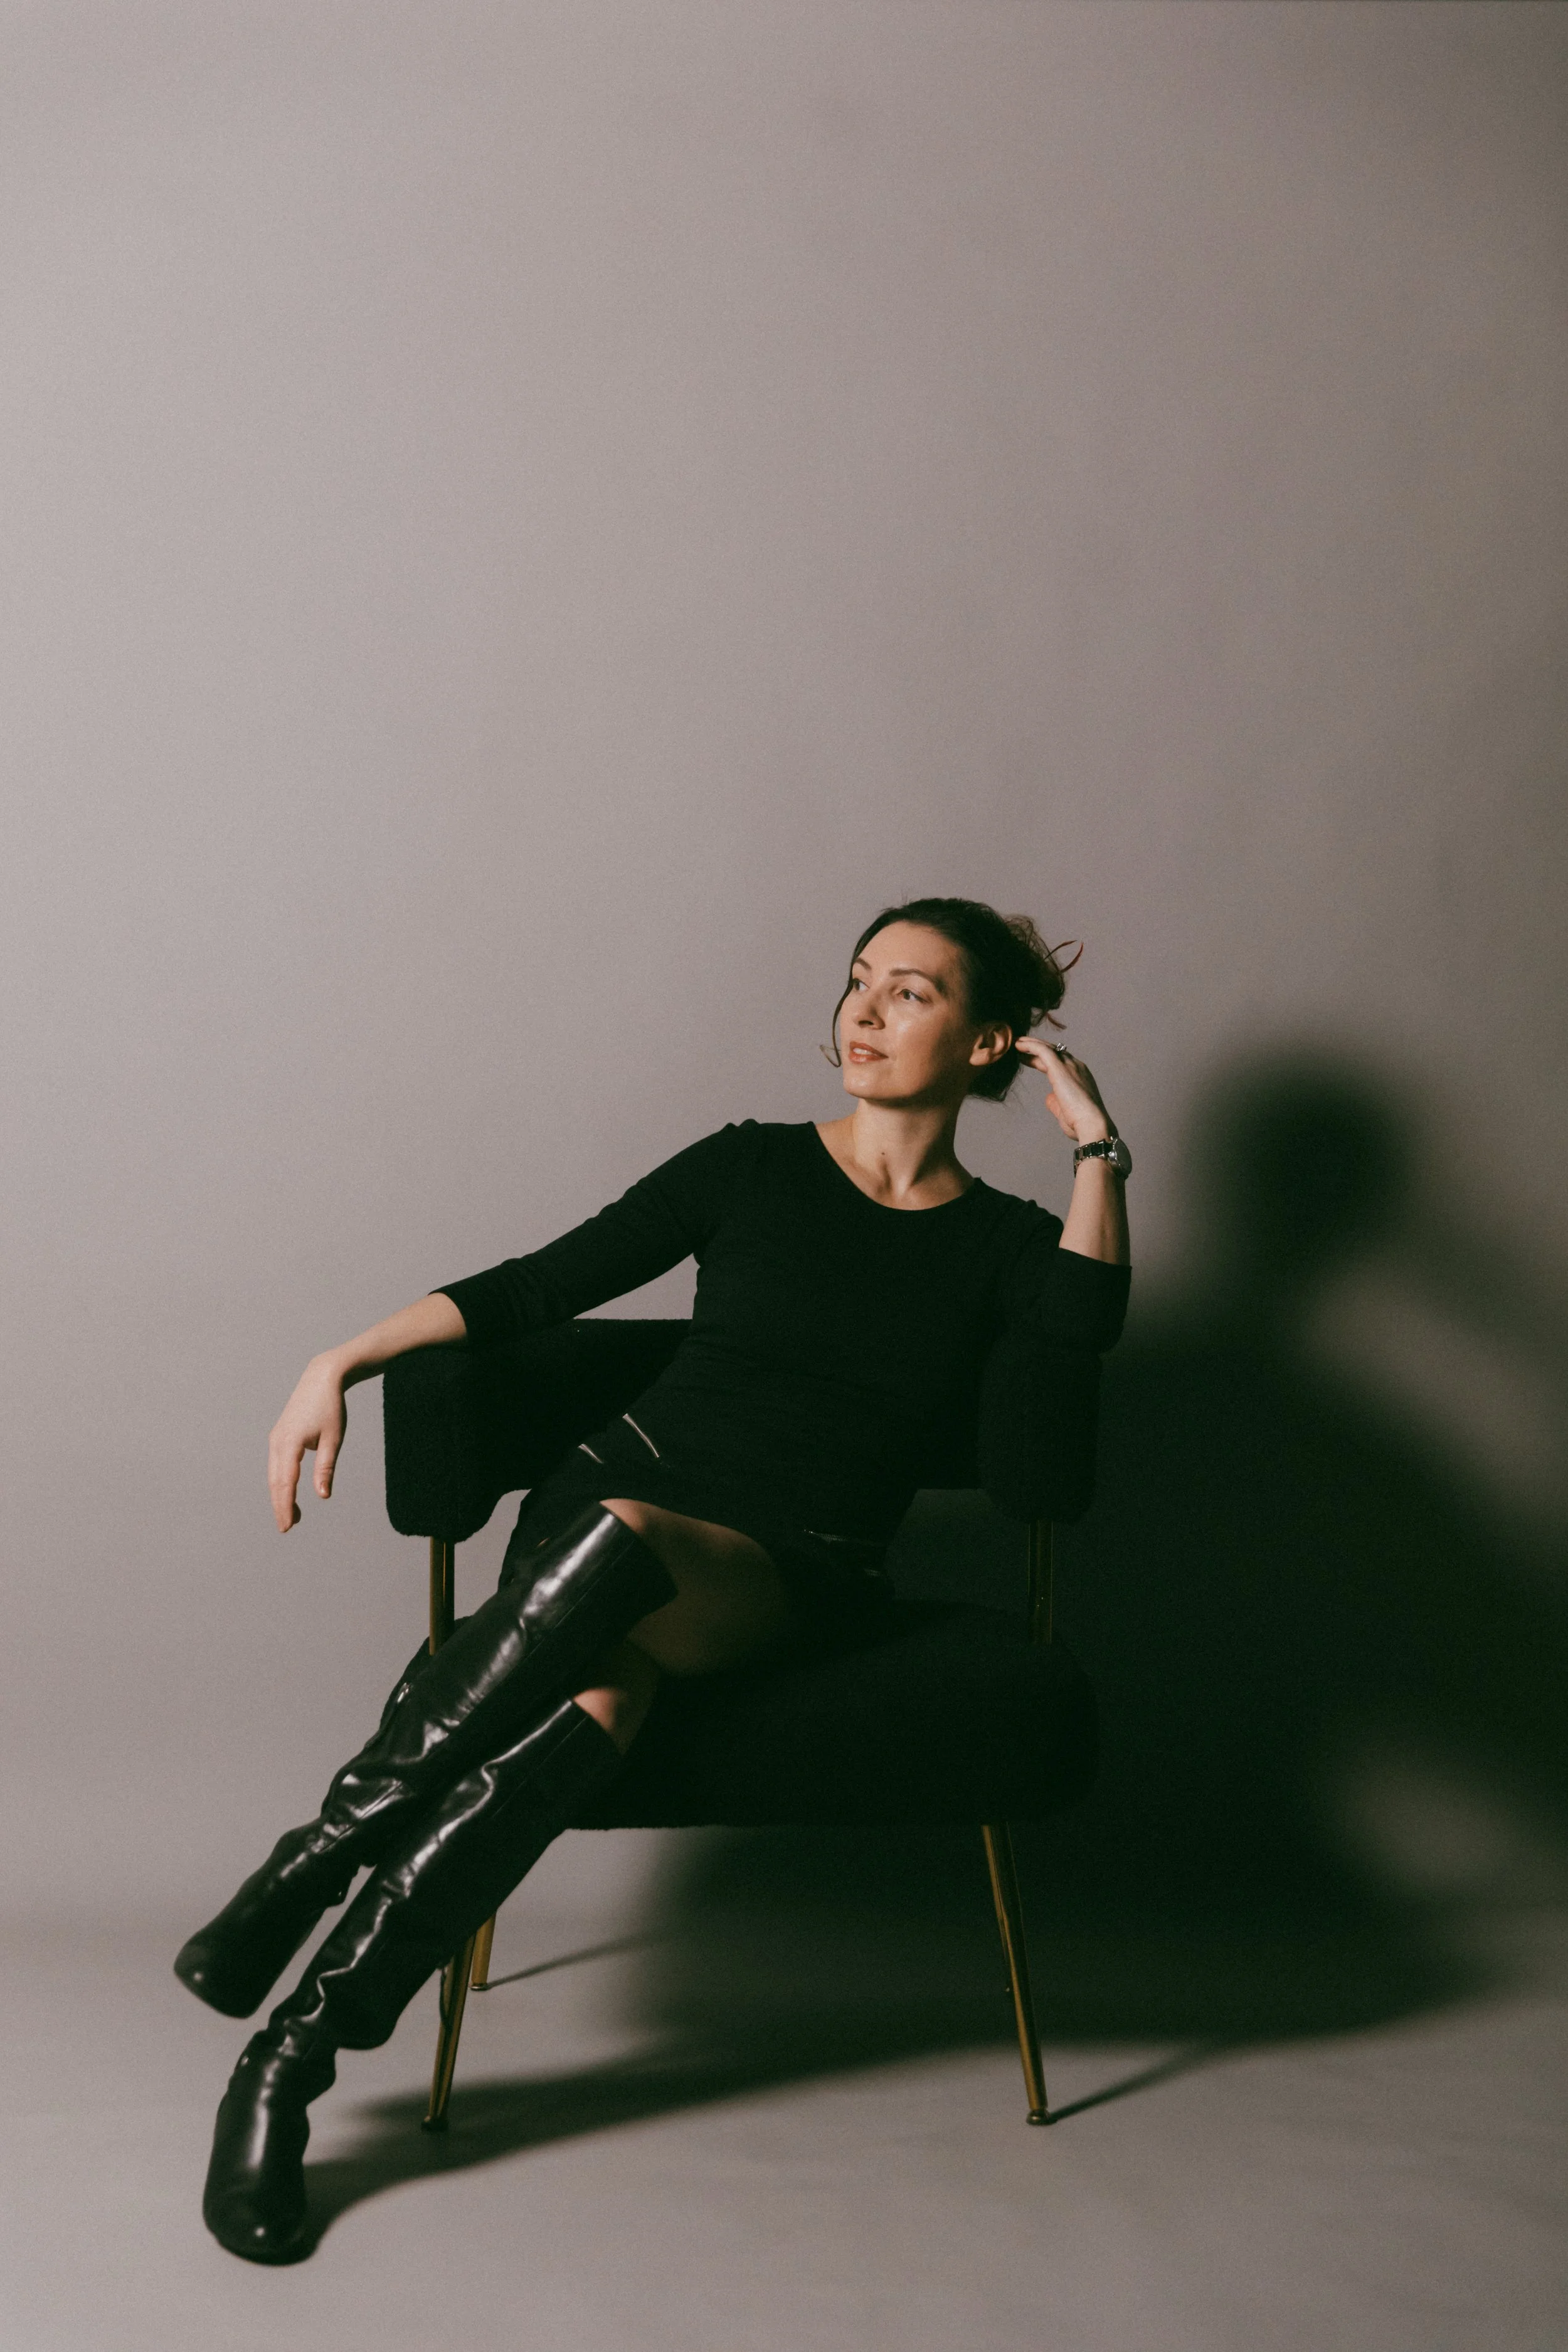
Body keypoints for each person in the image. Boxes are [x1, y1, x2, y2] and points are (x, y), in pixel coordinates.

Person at [175, 894, 1132, 2262]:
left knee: (624, 1545)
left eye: (909, 993)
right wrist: (338, 1360)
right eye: (857, 980)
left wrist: (1096, 1139)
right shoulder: (747, 1166)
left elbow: (1083, 1322)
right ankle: (286, 2067)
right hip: (606, 1507)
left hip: (791, 1567)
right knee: (593, 1710)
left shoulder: (994, 1245)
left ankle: (311, 1858)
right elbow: (534, 1287)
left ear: (988, 1042)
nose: (860, 1012)